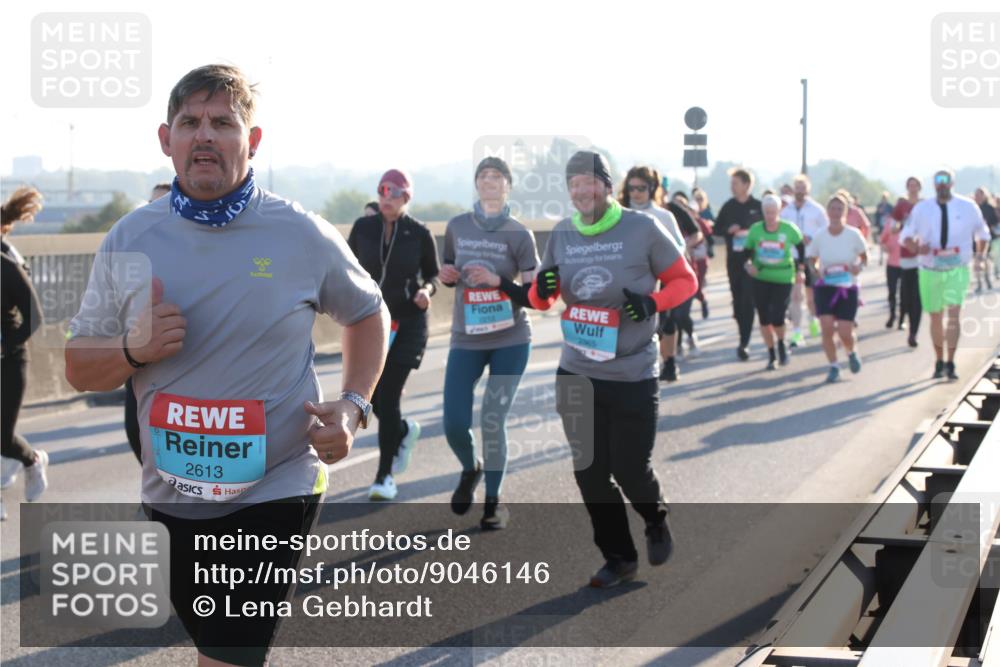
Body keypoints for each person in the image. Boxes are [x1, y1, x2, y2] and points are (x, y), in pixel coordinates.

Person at [64, 64, 389, 667]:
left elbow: (369, 314)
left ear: (252, 140)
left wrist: (352, 405)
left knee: (231, 651)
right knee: (215, 643)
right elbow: (79, 369)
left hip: (279, 481)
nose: (204, 135)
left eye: (223, 122)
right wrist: (133, 351)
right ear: (167, 140)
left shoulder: (299, 233)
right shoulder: (131, 238)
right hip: (173, 490)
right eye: (190, 122)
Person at [529, 150, 698, 588]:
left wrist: (652, 302)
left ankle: (655, 518)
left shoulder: (643, 227)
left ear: (607, 185)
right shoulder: (563, 233)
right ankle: (619, 556)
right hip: (577, 370)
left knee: (629, 468)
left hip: (632, 373)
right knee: (589, 471)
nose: (581, 191)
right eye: (574, 184)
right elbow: (542, 299)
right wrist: (542, 289)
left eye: (589, 181)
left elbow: (686, 281)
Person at [438, 156, 539, 529]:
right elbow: (449, 271)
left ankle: (493, 503)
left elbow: (533, 296)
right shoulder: (457, 226)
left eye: (497, 176)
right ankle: (471, 467)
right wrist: (446, 275)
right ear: (476, 184)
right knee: (453, 422)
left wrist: (498, 282)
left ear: (508, 185)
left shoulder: (520, 235)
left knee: (493, 420)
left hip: (511, 338)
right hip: (466, 337)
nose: (490, 181)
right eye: (483, 176)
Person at [348, 168, 440, 500]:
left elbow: (433, 274)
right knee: (371, 398)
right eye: (383, 191)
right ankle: (402, 430)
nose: (387, 197)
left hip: (408, 323)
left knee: (388, 395)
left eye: (395, 192)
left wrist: (427, 290)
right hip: (372, 324)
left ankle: (384, 476)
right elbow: (347, 267)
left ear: (406, 197)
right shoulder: (363, 228)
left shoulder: (418, 233)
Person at [901, 169, 990, 380]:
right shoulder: (922, 209)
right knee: (935, 316)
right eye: (938, 182)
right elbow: (906, 236)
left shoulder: (968, 207)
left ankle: (951, 362)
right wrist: (915, 247)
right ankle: (939, 359)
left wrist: (979, 257)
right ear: (933, 185)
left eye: (946, 181)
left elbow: (982, 233)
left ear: (952, 183)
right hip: (930, 269)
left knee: (953, 315)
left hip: (957, 268)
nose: (942, 185)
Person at [616, 166, 695, 383]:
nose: (636, 193)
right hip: (628, 279)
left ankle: (669, 362)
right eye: (631, 188)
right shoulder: (617, 213)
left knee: (665, 323)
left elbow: (679, 246)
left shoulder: (663, 216)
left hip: (658, 279)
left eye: (641, 188)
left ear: (652, 189)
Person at [1, 187, 48, 514]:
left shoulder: (6, 266)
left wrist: (6, 345)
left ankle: (32, 459)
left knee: (2, 438)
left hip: (8, 361)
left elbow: (34, 317)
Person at [124, 183, 175, 465]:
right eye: (151, 204)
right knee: (135, 431)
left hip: (179, 365)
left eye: (163, 205)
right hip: (138, 360)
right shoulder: (132, 247)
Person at [808, 194, 869, 383]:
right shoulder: (820, 235)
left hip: (847, 287)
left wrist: (858, 266)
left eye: (839, 209)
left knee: (844, 331)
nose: (835, 212)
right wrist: (816, 269)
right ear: (827, 212)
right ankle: (833, 366)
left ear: (845, 212)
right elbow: (812, 258)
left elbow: (864, 256)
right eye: (832, 208)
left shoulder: (853, 234)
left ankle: (851, 352)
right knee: (826, 328)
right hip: (826, 287)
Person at [743, 194, 805, 370]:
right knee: (763, 317)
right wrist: (748, 265)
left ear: (779, 211)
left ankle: (781, 342)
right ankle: (771, 353)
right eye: (766, 212)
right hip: (761, 276)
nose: (770, 216)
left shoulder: (789, 229)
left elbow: (801, 248)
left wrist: (801, 270)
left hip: (783, 276)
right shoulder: (755, 230)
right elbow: (746, 252)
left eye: (773, 212)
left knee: (778, 315)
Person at [716, 167, 763, 360]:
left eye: (735, 183)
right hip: (734, 261)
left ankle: (744, 342)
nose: (732, 187)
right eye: (731, 183)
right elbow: (716, 229)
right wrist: (729, 229)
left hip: (754, 261)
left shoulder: (758, 206)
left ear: (746, 184)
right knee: (737, 302)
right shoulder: (729, 206)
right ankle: (742, 327)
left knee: (748, 300)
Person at [780, 174, 829, 347]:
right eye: (797, 187)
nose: (800, 191)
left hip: (811, 256)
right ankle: (797, 332)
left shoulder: (816, 210)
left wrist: (812, 238)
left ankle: (813, 317)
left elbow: (826, 230)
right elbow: (781, 230)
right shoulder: (786, 211)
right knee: (796, 295)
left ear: (808, 189)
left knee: (811, 296)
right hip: (793, 257)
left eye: (803, 188)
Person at [897, 178, 924, 346]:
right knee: (906, 297)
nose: (913, 188)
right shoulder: (901, 206)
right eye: (910, 185)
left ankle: (913, 333)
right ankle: (903, 318)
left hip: (922, 259)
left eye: (916, 185)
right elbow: (892, 225)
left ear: (920, 188)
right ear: (907, 188)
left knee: (917, 298)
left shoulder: (927, 206)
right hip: (905, 257)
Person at [690, 187, 715, 320]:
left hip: (701, 258)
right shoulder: (684, 222)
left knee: (698, 286)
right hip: (690, 260)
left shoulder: (701, 222)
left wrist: (710, 249)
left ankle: (703, 301)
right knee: (691, 286)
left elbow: (710, 238)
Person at [880, 204, 905, 329]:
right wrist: (885, 247)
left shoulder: (910, 222)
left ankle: (901, 320)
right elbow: (882, 239)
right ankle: (892, 315)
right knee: (892, 292)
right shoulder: (890, 222)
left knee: (904, 294)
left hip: (907, 264)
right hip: (892, 263)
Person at [973, 187, 997, 290]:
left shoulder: (989, 208)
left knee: (985, 259)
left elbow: (994, 221)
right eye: (976, 194)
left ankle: (987, 279)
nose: (978, 196)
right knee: (976, 260)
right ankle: (979, 283)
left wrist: (988, 224)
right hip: (974, 239)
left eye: (980, 194)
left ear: (984, 195)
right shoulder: (972, 207)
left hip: (986, 239)